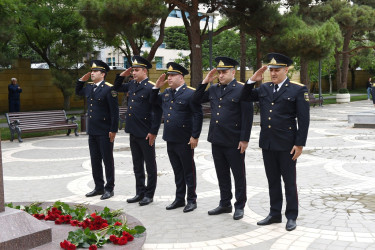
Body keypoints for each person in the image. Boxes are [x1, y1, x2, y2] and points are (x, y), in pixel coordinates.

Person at [240, 52, 310, 231]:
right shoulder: (264, 88)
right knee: (272, 180)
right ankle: (274, 213)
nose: (273, 73)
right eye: (271, 70)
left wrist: (299, 144)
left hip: (287, 144)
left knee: (289, 181)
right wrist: (251, 80)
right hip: (268, 143)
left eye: (277, 70)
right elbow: (244, 97)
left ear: (286, 70)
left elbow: (304, 119)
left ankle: (291, 216)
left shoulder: (297, 89)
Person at [192, 57, 253, 220]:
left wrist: (244, 139)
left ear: (233, 72)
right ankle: (225, 203)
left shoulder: (242, 89)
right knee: (221, 173)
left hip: (234, 140)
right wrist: (205, 81)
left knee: (238, 174)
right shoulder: (213, 89)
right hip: (217, 139)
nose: (221, 75)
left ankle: (240, 205)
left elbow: (248, 116)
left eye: (224, 72)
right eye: (219, 72)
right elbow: (195, 100)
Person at [150, 62, 203, 213]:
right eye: (168, 75)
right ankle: (179, 198)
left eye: (172, 75)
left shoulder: (190, 93)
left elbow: (197, 115)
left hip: (185, 139)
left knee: (188, 170)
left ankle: (191, 200)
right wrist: (156, 87)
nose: (169, 78)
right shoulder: (166, 93)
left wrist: (195, 136)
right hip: (170, 138)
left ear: (181, 77)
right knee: (177, 170)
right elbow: (153, 102)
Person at [113, 56, 162, 206]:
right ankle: (139, 192)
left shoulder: (151, 87)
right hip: (133, 130)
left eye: (136, 70)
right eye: (132, 70)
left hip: (146, 132)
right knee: (137, 164)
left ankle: (149, 194)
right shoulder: (132, 84)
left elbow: (157, 112)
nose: (133, 73)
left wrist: (153, 131)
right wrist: (122, 75)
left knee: (149, 165)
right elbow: (116, 87)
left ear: (145, 71)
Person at [75, 60, 119, 200]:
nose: (92, 73)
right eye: (92, 71)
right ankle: (98, 187)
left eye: (95, 71)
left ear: (103, 74)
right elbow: (78, 91)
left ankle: (109, 188)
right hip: (92, 130)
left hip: (105, 131)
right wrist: (81, 80)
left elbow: (114, 112)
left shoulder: (109, 89)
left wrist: (113, 130)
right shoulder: (89, 87)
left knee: (107, 160)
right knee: (95, 160)